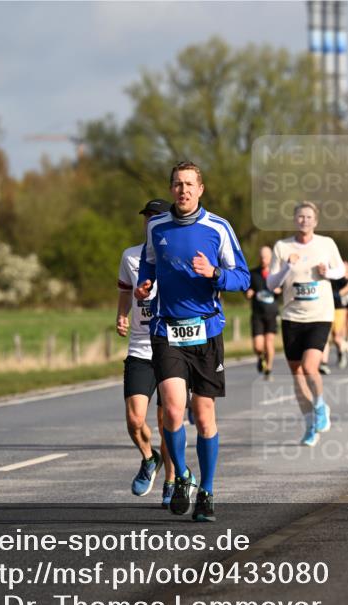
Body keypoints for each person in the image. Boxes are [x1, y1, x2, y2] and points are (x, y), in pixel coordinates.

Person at [136, 160, 250, 522]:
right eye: (177, 184)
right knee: (171, 409)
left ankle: (208, 490)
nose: (183, 190)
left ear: (200, 189)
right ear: (171, 189)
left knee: (203, 415)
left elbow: (243, 278)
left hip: (206, 330)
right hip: (166, 328)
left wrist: (215, 273)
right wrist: (144, 286)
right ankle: (182, 476)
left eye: (189, 184)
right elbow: (149, 265)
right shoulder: (156, 226)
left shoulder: (218, 227)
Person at [267, 202, 345, 446]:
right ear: (295, 220)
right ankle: (310, 424)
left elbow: (340, 270)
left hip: (320, 315)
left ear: (316, 221)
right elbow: (271, 284)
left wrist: (327, 273)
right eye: (300, 216)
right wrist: (287, 267)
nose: (304, 220)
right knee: (297, 374)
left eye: (309, 217)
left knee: (310, 367)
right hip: (292, 317)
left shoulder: (326, 244)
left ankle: (321, 406)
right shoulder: (282, 247)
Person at [118, 198, 175, 506]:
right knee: (134, 418)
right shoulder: (130, 256)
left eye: (156, 216)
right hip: (140, 347)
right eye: (147, 217)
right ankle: (148, 457)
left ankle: (170, 481)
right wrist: (122, 314)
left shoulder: (177, 255)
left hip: (170, 346)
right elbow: (125, 290)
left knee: (168, 420)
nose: (150, 221)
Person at [246, 245, 281, 380]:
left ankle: (269, 368)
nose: (263, 259)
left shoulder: (275, 274)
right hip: (257, 314)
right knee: (258, 346)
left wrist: (279, 290)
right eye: (261, 256)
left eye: (266, 257)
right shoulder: (253, 273)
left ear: (271, 258)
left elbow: (283, 287)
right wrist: (248, 293)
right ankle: (260, 357)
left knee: (269, 342)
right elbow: (246, 288)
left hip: (272, 313)